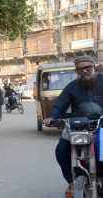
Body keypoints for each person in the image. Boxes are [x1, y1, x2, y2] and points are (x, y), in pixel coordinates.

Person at [43, 55, 103, 198]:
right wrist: (53, 117)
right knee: (62, 148)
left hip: (102, 125)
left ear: (94, 67)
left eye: (87, 67)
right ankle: (71, 180)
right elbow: (60, 105)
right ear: (76, 71)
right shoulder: (71, 87)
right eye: (80, 69)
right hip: (78, 126)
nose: (84, 71)